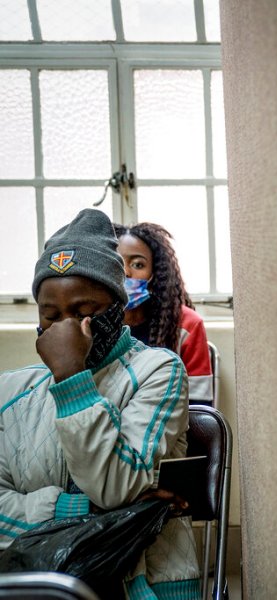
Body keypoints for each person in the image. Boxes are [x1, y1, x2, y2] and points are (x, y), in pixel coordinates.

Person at [0, 209, 201, 598]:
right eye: (51, 315)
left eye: (83, 312)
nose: (65, 329)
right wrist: (79, 511)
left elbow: (115, 486)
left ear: (116, 307)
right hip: (40, 585)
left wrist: (71, 376)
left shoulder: (157, 371)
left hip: (146, 586)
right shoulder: (12, 392)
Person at [114, 222, 213, 405]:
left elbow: (199, 407)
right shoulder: (91, 321)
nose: (126, 272)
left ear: (155, 273)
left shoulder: (187, 324)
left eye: (138, 264)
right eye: (117, 263)